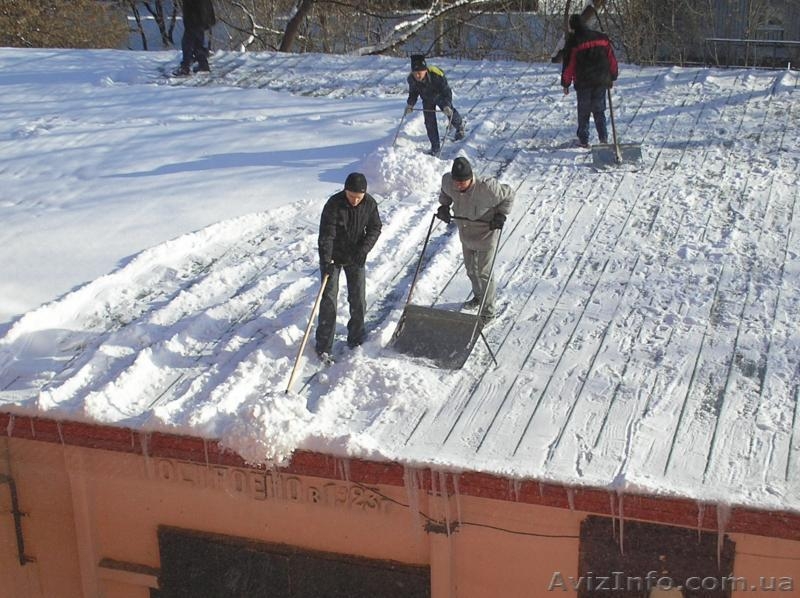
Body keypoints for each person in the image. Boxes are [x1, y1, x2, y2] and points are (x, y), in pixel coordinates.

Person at [437, 157, 514, 323]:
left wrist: (501, 214)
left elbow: (509, 195)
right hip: (466, 232)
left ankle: (488, 311)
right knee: (471, 269)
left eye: (462, 182)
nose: (458, 185)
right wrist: (444, 206)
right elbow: (445, 193)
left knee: (484, 273)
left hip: (486, 232)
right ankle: (479, 297)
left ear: (471, 177)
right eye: (456, 182)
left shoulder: (488, 188)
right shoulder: (448, 181)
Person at [315, 173, 382, 360]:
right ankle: (323, 345)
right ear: (345, 191)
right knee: (328, 299)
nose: (354, 200)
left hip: (355, 256)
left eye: (358, 197)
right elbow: (326, 236)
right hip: (333, 258)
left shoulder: (369, 204)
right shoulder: (333, 205)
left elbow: (375, 228)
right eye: (351, 196)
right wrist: (326, 261)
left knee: (358, 298)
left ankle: (356, 338)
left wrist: (363, 251)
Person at [560, 13, 618, 148]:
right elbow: (611, 58)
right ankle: (603, 139)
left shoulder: (574, 42)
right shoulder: (601, 37)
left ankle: (583, 140)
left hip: (584, 82)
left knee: (584, 112)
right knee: (599, 110)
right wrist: (613, 75)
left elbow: (570, 65)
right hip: (601, 80)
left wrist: (565, 83)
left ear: (572, 27)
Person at [405, 54, 466, 155]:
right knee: (429, 122)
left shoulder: (436, 75)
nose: (417, 76)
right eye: (415, 73)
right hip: (426, 99)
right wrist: (410, 105)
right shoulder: (411, 79)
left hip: (440, 96)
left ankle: (459, 127)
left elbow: (446, 92)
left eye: (419, 73)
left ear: (425, 70)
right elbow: (413, 93)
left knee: (450, 112)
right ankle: (435, 147)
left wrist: (446, 105)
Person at [174, 0, 216, 76]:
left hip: (194, 19)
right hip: (201, 18)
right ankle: (203, 64)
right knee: (198, 42)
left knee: (187, 43)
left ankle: (185, 67)